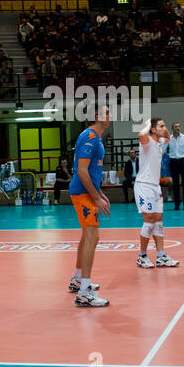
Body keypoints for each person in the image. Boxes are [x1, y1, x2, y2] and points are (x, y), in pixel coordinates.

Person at [68, 105, 112, 307]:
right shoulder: (91, 137)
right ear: (98, 117)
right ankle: (84, 292)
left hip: (87, 191)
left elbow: (91, 172)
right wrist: (96, 198)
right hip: (83, 193)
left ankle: (78, 280)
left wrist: (100, 193)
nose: (110, 116)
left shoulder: (96, 137)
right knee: (93, 236)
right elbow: (82, 171)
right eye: (107, 113)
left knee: (87, 235)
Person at [133, 117, 179, 270]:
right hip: (143, 186)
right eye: (161, 126)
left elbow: (166, 137)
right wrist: (147, 125)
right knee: (149, 219)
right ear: (152, 129)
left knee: (159, 219)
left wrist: (163, 130)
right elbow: (141, 134)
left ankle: (161, 256)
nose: (164, 128)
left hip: (155, 187)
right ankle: (142, 256)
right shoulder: (146, 142)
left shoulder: (159, 143)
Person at [166, 122, 184, 210]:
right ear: (172, 128)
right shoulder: (168, 138)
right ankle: (176, 205)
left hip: (183, 161)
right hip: (173, 161)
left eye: (179, 126)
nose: (178, 128)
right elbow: (163, 150)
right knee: (175, 184)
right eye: (176, 127)